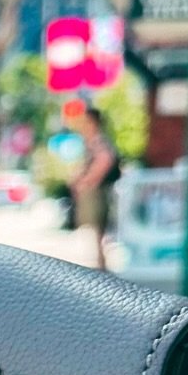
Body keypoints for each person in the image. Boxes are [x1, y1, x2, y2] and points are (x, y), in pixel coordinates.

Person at [71, 107, 121, 269]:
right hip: (96, 191)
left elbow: (105, 160)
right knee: (96, 231)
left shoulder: (98, 141)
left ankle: (102, 267)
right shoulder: (93, 141)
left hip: (97, 192)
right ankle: (101, 265)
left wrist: (88, 181)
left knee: (99, 229)